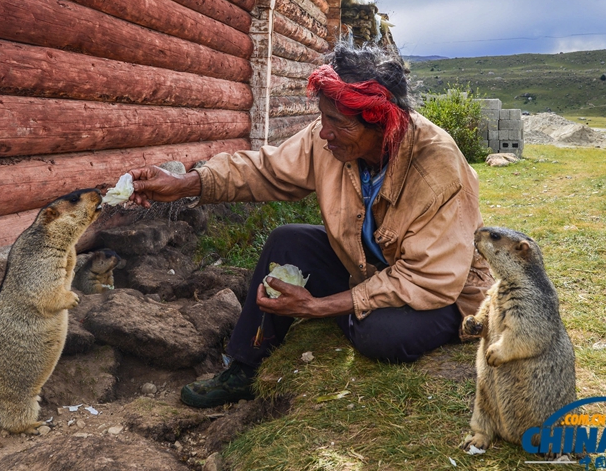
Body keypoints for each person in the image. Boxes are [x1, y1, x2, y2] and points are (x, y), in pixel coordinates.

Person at [128, 43, 493, 408]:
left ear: (382, 122)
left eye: (339, 123)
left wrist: (317, 307)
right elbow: (264, 171)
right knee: (287, 241)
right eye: (323, 118)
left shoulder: (437, 169)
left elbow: (428, 279)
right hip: (369, 267)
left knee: (381, 335)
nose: (324, 133)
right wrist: (184, 185)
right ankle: (244, 367)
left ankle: (364, 317)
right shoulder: (331, 140)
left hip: (445, 292)